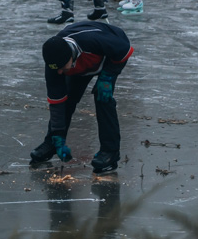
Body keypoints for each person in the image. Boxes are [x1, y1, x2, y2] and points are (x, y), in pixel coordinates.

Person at [30, 20, 133, 174]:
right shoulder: (55, 65)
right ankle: (51, 143)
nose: (58, 73)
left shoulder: (92, 40)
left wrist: (108, 77)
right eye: (55, 70)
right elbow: (57, 102)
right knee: (67, 100)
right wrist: (57, 135)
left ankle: (110, 153)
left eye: (61, 68)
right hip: (79, 66)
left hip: (107, 57)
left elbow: (123, 49)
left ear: (70, 57)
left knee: (102, 97)